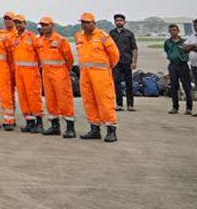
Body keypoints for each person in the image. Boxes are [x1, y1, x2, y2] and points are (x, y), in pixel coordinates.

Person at [76, 12, 121, 142]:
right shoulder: (79, 36)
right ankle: (94, 129)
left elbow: (114, 55)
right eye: (82, 22)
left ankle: (111, 130)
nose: (84, 25)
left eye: (87, 22)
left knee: (105, 101)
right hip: (85, 74)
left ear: (94, 23)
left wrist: (106, 68)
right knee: (89, 101)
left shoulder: (103, 36)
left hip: (101, 75)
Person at [35, 16, 75, 137]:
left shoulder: (60, 40)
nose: (44, 27)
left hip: (60, 73)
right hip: (46, 73)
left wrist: (66, 71)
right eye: (42, 25)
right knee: (50, 100)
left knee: (64, 100)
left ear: (52, 26)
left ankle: (70, 128)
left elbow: (69, 58)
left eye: (46, 25)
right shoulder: (40, 41)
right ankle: (54, 126)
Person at [10, 15, 43, 133]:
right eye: (16, 23)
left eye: (20, 23)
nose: (18, 25)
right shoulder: (14, 38)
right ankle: (29, 121)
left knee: (33, 97)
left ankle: (39, 122)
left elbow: (39, 54)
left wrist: (37, 68)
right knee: (23, 97)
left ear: (25, 23)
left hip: (31, 72)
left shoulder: (32, 37)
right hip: (19, 72)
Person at [109, 14, 138, 112]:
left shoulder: (129, 34)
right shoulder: (111, 34)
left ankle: (130, 105)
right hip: (116, 62)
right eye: (117, 20)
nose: (119, 22)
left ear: (124, 22)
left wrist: (134, 62)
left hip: (127, 61)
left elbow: (134, 48)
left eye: (121, 20)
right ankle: (119, 104)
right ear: (115, 22)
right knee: (116, 83)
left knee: (129, 83)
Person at [163, 23, 193, 115]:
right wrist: (171, 56)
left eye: (174, 30)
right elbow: (166, 50)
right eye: (171, 30)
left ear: (178, 31)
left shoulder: (184, 42)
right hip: (173, 66)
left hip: (183, 65)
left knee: (187, 87)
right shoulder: (167, 42)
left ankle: (189, 108)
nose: (173, 32)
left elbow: (189, 51)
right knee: (174, 87)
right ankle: (175, 107)